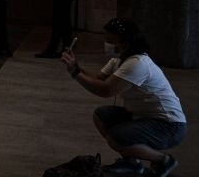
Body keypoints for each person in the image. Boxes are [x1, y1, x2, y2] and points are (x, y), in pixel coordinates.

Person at [61, 18, 186, 177]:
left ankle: (163, 160)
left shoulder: (137, 63)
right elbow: (99, 79)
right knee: (102, 115)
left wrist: (75, 73)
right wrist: (76, 66)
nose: (106, 43)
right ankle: (131, 163)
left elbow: (106, 90)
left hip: (169, 126)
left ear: (125, 43)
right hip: (143, 116)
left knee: (116, 137)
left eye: (110, 40)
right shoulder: (119, 60)